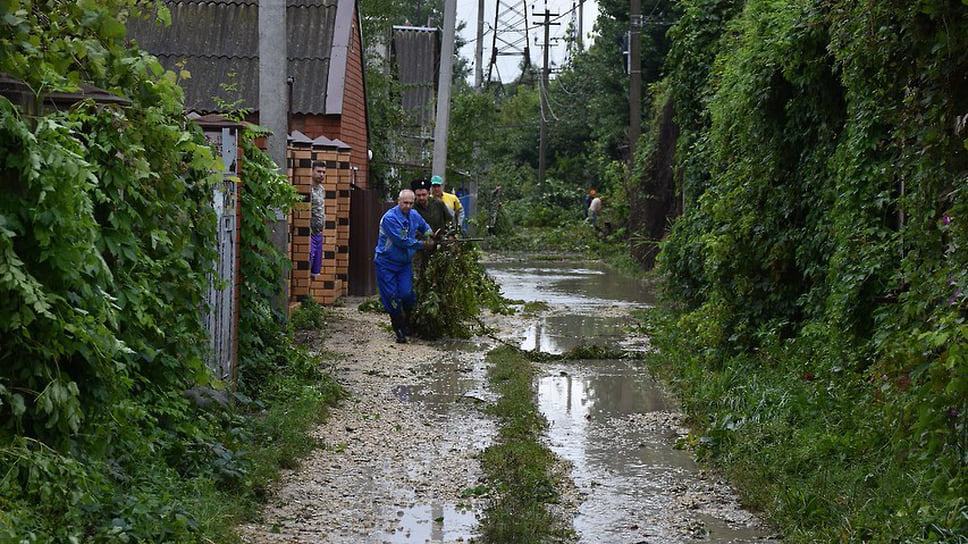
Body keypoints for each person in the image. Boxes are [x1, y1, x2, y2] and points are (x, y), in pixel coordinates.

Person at [374, 189, 436, 343]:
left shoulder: (414, 215)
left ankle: (407, 322)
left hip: (404, 264)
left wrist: (431, 235)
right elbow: (402, 241)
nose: (408, 206)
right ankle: (398, 329)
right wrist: (424, 245)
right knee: (392, 297)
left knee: (407, 294)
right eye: (405, 203)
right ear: (398, 201)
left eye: (411, 203)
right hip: (386, 263)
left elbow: (424, 226)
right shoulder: (389, 219)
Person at [309, 161, 326, 278]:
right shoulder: (307, 189)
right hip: (309, 233)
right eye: (319, 171)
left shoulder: (321, 189)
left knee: (315, 271)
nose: (321, 174)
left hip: (318, 233)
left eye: (324, 172)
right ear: (311, 171)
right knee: (307, 262)